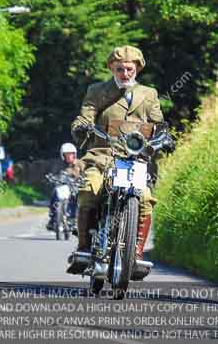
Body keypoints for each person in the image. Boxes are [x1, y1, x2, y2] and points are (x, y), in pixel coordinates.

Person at [67, 45, 163, 273]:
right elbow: (85, 115)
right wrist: (81, 127)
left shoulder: (149, 95)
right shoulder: (97, 90)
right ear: (111, 68)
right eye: (120, 69)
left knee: (146, 199)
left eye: (129, 69)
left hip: (135, 161)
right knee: (90, 189)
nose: (125, 74)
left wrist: (163, 138)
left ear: (138, 69)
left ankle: (136, 254)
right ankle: (84, 248)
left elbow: (159, 125)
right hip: (101, 157)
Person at [46, 142, 83, 231]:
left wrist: (82, 179)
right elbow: (54, 174)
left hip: (74, 187)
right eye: (67, 154)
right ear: (63, 155)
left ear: (75, 154)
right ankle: (52, 217)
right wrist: (52, 178)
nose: (69, 156)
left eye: (71, 154)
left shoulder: (80, 164)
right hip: (62, 187)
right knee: (54, 193)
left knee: (77, 198)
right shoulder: (59, 164)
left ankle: (74, 219)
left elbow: (85, 173)